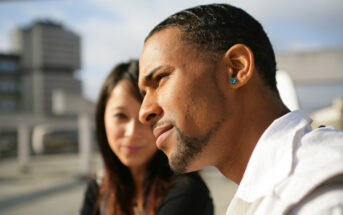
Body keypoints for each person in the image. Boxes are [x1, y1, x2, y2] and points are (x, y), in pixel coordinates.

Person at [138, 4, 343, 215]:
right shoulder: (272, 191)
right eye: (144, 94)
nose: (144, 112)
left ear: (236, 68)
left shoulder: (317, 196)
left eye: (160, 78)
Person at [80, 60, 213, 215]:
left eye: (146, 118)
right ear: (102, 118)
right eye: (121, 116)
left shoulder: (187, 190)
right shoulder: (99, 187)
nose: (131, 132)